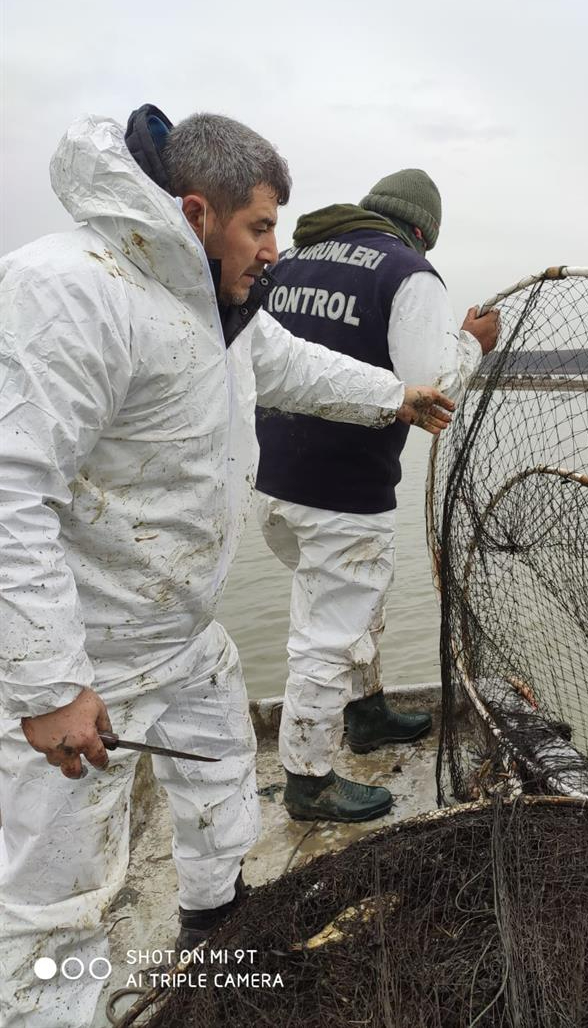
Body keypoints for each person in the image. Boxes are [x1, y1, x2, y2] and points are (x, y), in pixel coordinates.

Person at [0, 105, 453, 1028]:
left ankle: (214, 932)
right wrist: (49, 684)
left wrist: (399, 396)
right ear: (198, 213)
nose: (273, 248)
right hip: (82, 650)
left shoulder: (220, 310)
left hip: (180, 634)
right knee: (56, 903)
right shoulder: (70, 290)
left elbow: (298, 369)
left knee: (218, 785)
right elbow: (11, 491)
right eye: (260, 226)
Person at [255, 169, 499, 823]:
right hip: (342, 488)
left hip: (269, 482)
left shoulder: (298, 258)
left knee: (349, 603)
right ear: (422, 232)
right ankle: (308, 780)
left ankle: (366, 713)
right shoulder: (406, 272)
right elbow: (432, 391)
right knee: (327, 634)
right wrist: (471, 345)